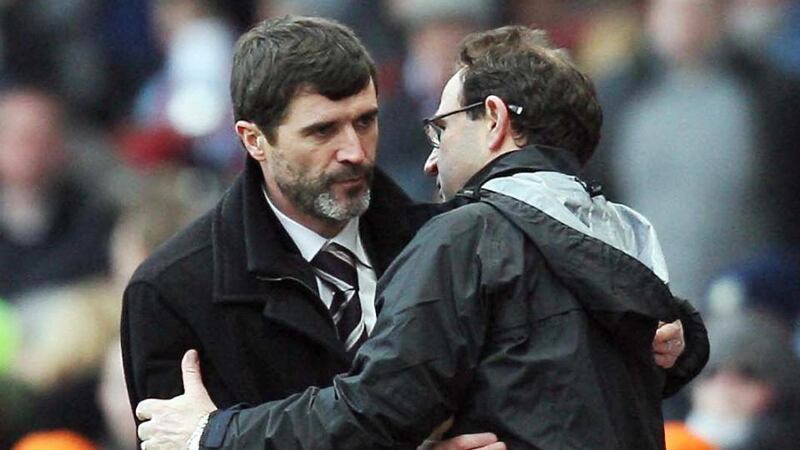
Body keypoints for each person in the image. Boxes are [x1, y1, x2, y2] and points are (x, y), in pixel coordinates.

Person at [133, 23, 708, 449]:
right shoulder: (173, 291)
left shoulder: (453, 235)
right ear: (253, 139)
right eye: (322, 131)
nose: (354, 151)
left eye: (366, 119)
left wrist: (676, 341)